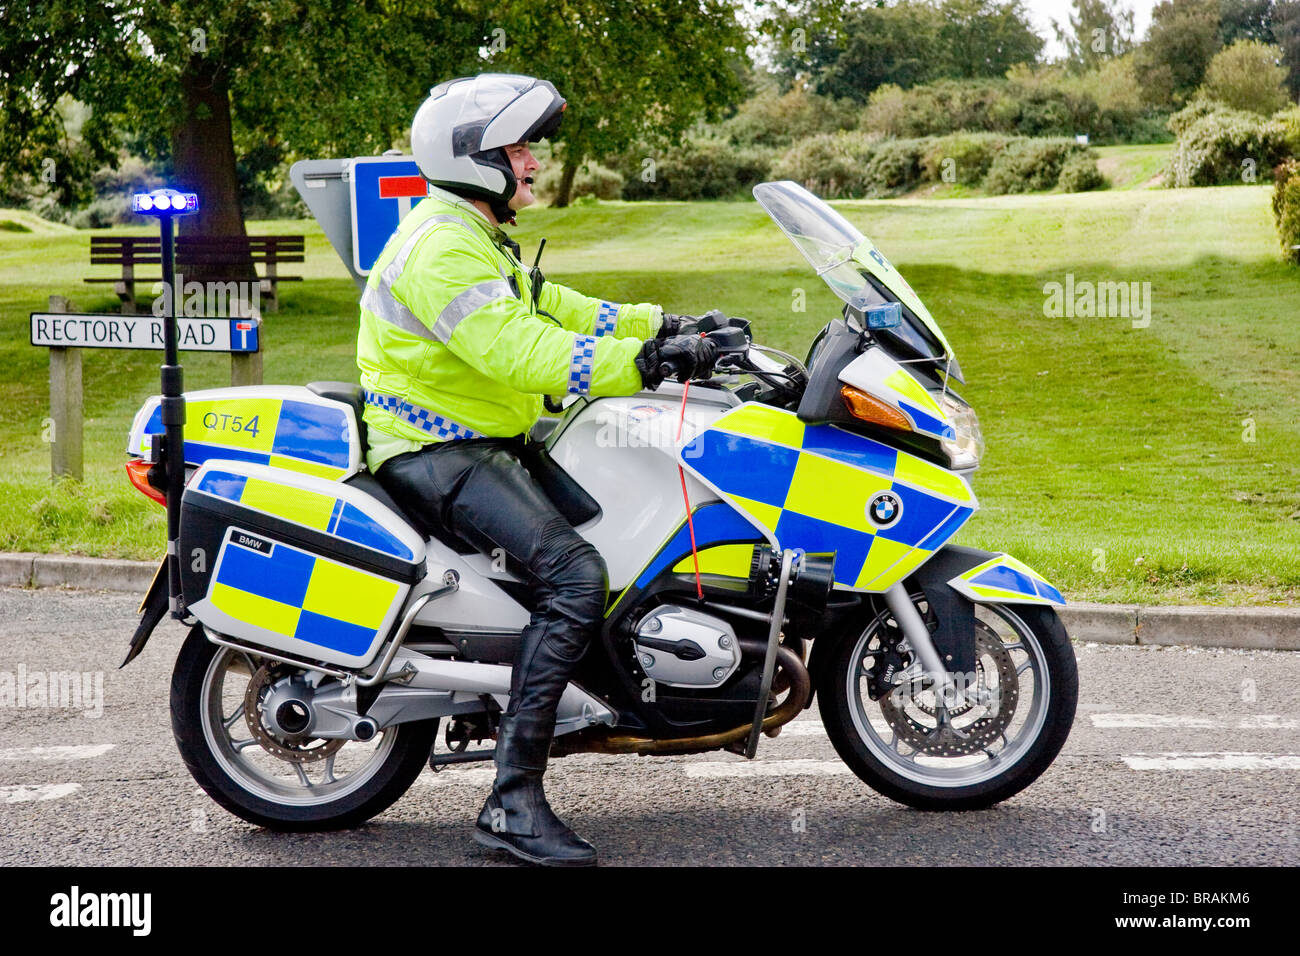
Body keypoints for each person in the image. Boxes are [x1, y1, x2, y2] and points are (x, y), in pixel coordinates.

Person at [356, 73, 718, 866]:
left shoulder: (472, 233)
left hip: (482, 440)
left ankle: (601, 689)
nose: (532, 162)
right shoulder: (442, 246)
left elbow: (558, 309)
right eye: (517, 148)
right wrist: (643, 362)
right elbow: (521, 351)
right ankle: (512, 803)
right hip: (439, 452)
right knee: (577, 574)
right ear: (474, 157)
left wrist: (668, 326)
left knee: (614, 528)